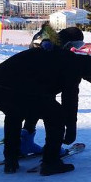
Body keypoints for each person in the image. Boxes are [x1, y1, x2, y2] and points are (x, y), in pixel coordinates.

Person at [0, 43, 91, 175]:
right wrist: (71, 128)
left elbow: (41, 97)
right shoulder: (73, 66)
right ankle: (51, 162)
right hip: (17, 87)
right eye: (84, 77)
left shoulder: (60, 58)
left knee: (14, 114)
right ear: (85, 69)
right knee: (56, 116)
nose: (81, 79)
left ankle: (11, 159)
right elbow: (69, 100)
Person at [21, 25, 87, 155]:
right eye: (75, 44)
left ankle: (25, 138)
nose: (72, 48)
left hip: (30, 83)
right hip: (36, 83)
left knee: (35, 109)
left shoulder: (54, 45)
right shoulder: (50, 44)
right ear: (68, 41)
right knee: (53, 114)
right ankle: (52, 150)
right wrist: (71, 126)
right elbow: (70, 95)